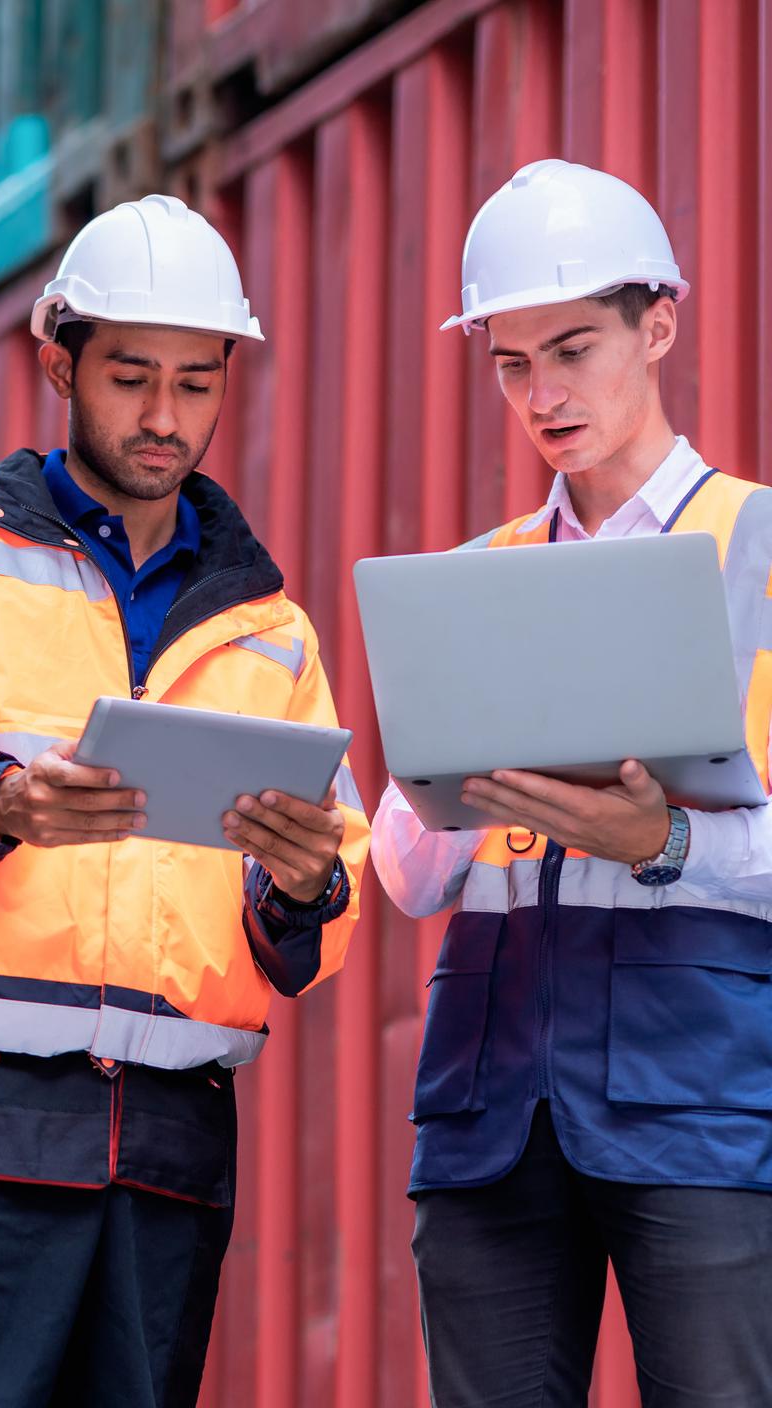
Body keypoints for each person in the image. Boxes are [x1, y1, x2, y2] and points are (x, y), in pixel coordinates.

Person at [0, 193, 370, 1406]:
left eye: (196, 383)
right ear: (60, 363)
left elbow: (328, 878)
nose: (163, 417)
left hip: (168, 1148)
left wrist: (306, 880)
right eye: (131, 377)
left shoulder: (272, 631)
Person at [371, 159, 772, 1406]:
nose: (541, 395)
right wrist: (449, 782)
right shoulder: (473, 579)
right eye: (510, 362)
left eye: (574, 348)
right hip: (492, 1113)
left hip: (705, 1104)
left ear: (659, 325)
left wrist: (665, 844)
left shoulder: (757, 548)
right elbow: (406, 875)